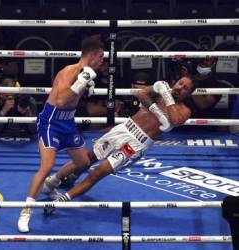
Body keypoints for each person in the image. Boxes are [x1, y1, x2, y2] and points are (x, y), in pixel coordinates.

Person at [42, 75, 197, 213]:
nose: (180, 88)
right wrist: (156, 109)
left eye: (185, 88)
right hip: (124, 129)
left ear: (189, 93)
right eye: (180, 83)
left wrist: (167, 97)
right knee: (87, 158)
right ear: (176, 81)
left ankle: (60, 201)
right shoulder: (160, 90)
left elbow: (175, 120)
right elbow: (141, 93)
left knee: (98, 173)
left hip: (136, 144)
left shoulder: (184, 110)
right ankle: (58, 180)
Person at [17, 36, 105, 233]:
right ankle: (26, 211)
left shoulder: (87, 74)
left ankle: (52, 184)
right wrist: (80, 83)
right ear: (91, 55)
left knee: (83, 162)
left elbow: (75, 100)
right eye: (100, 57)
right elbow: (62, 100)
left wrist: (85, 87)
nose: (102, 61)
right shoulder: (70, 71)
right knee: (46, 166)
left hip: (67, 122)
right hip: (51, 121)